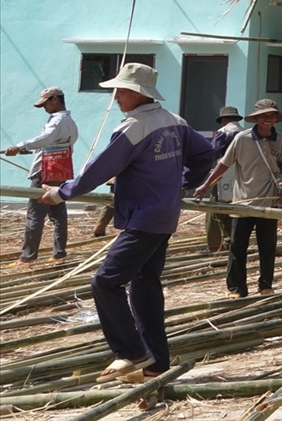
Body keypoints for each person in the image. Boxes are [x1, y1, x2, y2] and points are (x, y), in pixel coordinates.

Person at [39, 63, 214, 383]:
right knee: (145, 286)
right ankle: (157, 363)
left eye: (120, 91)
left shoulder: (134, 128)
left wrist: (61, 193)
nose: (116, 97)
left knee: (105, 282)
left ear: (137, 93)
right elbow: (205, 157)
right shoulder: (174, 121)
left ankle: (131, 352)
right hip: (164, 216)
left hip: (145, 219)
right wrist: (180, 184)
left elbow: (99, 169)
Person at [194, 99, 282, 298]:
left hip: (268, 203)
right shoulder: (242, 139)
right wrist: (206, 185)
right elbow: (223, 165)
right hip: (242, 203)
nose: (268, 119)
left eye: (271, 115)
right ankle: (236, 288)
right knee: (237, 247)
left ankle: (265, 285)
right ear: (256, 118)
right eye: (264, 116)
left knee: (267, 247)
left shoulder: (281, 140)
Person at [7, 87, 78, 266]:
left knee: (35, 215)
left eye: (46, 103)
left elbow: (46, 138)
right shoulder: (69, 121)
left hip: (44, 172)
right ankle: (59, 254)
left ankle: (27, 257)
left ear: (55, 99)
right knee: (58, 213)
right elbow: (57, 142)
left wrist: (20, 145)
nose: (44, 107)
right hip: (59, 171)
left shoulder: (57, 120)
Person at [204, 106, 244, 254]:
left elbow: (213, 153)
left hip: (223, 176)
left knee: (213, 211)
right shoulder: (246, 133)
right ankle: (229, 242)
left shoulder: (223, 132)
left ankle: (214, 246)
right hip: (242, 178)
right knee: (234, 211)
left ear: (224, 120)